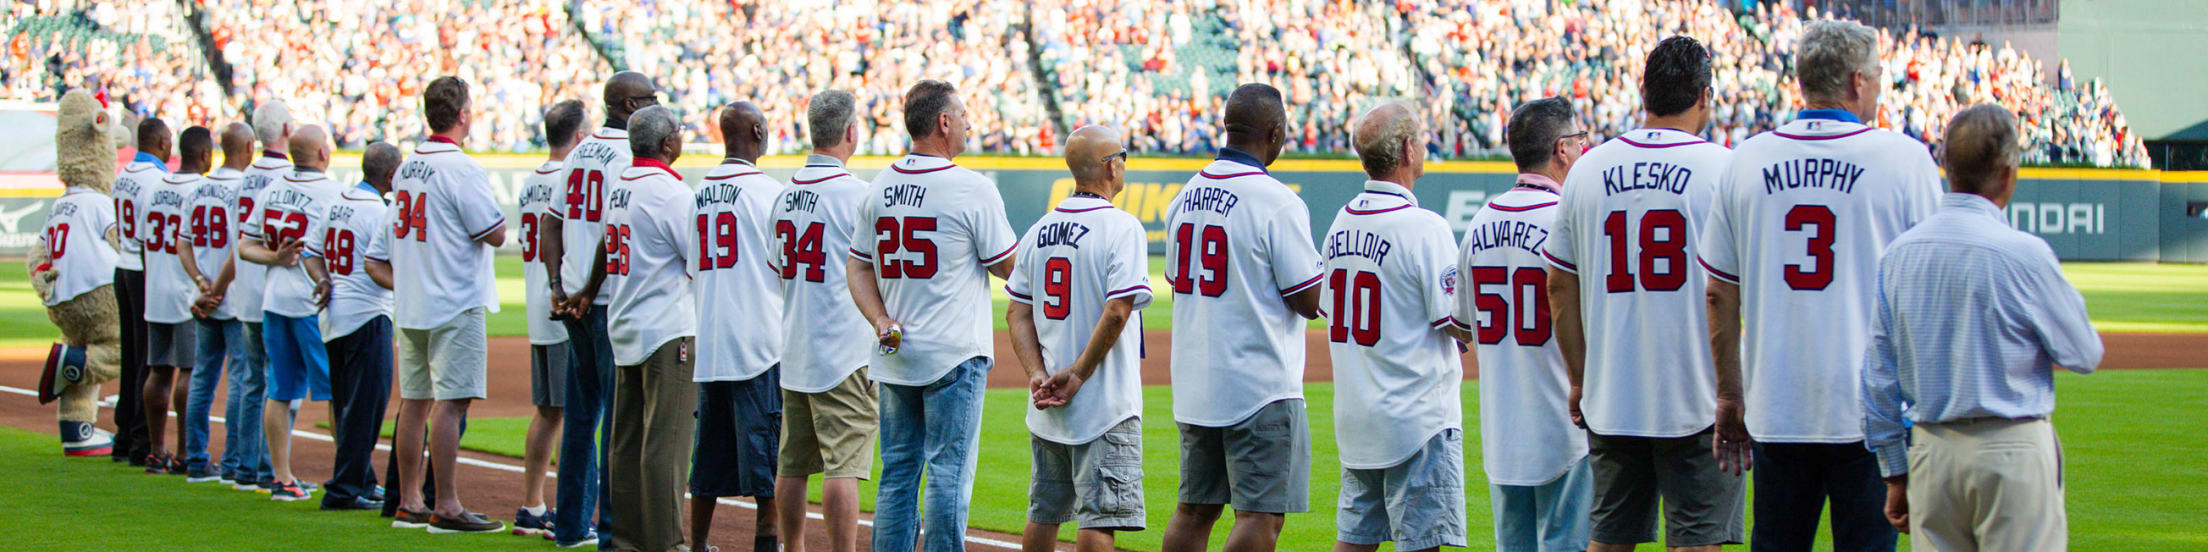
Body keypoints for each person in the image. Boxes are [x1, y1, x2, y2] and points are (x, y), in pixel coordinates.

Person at [1698, 19, 1943, 552]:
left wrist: (1729, 396)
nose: (1880, 86)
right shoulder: (1905, 160)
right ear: (1857, 81)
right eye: (1877, 77)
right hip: (1872, 412)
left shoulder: (1746, 160)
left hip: (1776, 406)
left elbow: (1718, 292)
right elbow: (1928, 300)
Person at [1863, 104, 2102, 552]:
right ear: (2008, 173)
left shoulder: (1900, 253)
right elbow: (2084, 353)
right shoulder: (2024, 254)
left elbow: (1878, 377)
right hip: (2011, 448)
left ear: (1946, 168)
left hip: (1933, 450)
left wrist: (1895, 471)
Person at [1542, 36, 1743, 552]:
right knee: (1697, 541)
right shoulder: (1723, 169)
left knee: (1609, 539)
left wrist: (1579, 378)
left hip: (1612, 392)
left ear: (1643, 92)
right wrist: (1732, 392)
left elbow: (1559, 284)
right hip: (1697, 395)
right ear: (1704, 95)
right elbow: (1726, 294)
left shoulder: (1587, 168)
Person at [847, 79, 1019, 552]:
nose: (968, 123)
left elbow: (857, 265)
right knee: (948, 473)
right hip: (953, 355)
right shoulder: (969, 187)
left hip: (896, 353)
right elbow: (1010, 267)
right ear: (944, 122)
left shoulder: (879, 184)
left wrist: (880, 320)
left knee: (898, 474)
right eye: (963, 115)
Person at [1158, 83, 1323, 552]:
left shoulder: (1183, 196)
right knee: (1262, 516)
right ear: (1274, 132)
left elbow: (1177, 279)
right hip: (1258, 385)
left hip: (1195, 383)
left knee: (1194, 510)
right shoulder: (1276, 200)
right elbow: (1308, 300)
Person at [1321, 103, 1474, 552]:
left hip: (1357, 416)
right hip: (1417, 418)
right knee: (1421, 543)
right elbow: (1456, 322)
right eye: (1421, 138)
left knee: (1353, 542)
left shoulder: (1339, 224)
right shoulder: (1425, 227)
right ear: (1408, 149)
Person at [1004, 125, 1151, 552]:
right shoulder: (1122, 227)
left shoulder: (1039, 229)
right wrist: (1079, 375)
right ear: (1110, 167)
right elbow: (1119, 309)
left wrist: (1036, 373)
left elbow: (1016, 309)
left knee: (1044, 514)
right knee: (1099, 521)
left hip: (1048, 402)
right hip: (1103, 403)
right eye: (1122, 156)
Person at [1458, 97, 1594, 552]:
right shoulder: (1569, 218)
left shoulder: (1480, 222)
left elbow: (1462, 325)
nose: (1582, 148)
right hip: (1564, 425)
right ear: (1561, 149)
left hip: (1502, 430)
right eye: (1578, 140)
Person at [386, 76, 509, 534]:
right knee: (450, 403)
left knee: (414, 401)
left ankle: (410, 500)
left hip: (413, 296)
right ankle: (448, 504)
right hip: (454, 296)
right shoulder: (462, 167)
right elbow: (493, 232)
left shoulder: (406, 167)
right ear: (462, 115)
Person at [543, 71, 656, 549]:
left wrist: (557, 286)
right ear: (629, 105)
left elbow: (552, 224)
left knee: (580, 416)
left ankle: (570, 526)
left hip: (574, 301)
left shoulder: (580, 152)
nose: (657, 105)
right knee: (619, 422)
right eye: (650, 98)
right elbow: (614, 234)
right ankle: (611, 529)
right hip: (606, 300)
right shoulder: (627, 155)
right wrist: (588, 288)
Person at [770, 89, 877, 552]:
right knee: (843, 466)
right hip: (845, 349)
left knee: (791, 465)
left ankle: (790, 547)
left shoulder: (783, 195)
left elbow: (775, 271)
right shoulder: (858, 195)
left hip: (795, 345)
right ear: (850, 132)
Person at [688, 100, 788, 552]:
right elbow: (786, 269)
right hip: (758, 341)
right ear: (754, 130)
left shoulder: (699, 192)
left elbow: (693, 268)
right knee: (766, 457)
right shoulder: (767, 192)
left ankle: (698, 544)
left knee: (707, 456)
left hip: (711, 339)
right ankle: (766, 544)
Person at [601, 104, 699, 552]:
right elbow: (697, 264)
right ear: (666, 144)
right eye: (677, 132)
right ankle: (665, 542)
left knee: (625, 443)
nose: (682, 137)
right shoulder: (670, 192)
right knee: (666, 441)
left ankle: (625, 539)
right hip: (664, 328)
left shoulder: (619, 186)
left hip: (624, 321)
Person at [237, 124, 343, 502]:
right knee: (337, 392)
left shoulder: (273, 189)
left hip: (274, 300)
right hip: (311, 304)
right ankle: (349, 477)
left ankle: (281, 478)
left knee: (279, 390)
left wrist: (274, 258)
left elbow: (245, 246)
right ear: (322, 154)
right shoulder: (332, 191)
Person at [304, 141, 398, 511]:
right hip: (368, 314)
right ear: (391, 176)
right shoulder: (379, 212)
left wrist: (323, 279)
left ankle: (360, 480)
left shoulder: (338, 201)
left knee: (346, 405)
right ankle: (343, 490)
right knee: (365, 408)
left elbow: (311, 252)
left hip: (333, 315)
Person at [513, 99, 588, 538]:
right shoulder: (570, 178)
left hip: (537, 307)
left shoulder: (530, 181)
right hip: (563, 308)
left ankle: (532, 504)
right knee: (577, 414)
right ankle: (566, 511)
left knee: (548, 413)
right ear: (579, 137)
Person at [223, 104, 293, 491]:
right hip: (275, 289)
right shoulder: (289, 176)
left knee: (250, 382)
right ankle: (271, 470)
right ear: (285, 128)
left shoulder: (246, 175)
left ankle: (243, 467)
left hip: (245, 288)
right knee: (278, 383)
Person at [183, 123, 254, 486]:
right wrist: (220, 289)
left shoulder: (199, 187)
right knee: (240, 381)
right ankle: (231, 462)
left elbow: (182, 244)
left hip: (203, 296)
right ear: (247, 147)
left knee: (202, 379)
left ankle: (195, 459)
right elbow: (239, 247)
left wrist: (201, 283)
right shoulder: (241, 189)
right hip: (230, 297)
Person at [136, 119, 200, 476]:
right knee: (190, 370)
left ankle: (155, 450)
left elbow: (144, 244)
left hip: (156, 289)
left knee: (158, 370)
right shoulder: (201, 190)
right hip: (186, 291)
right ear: (205, 154)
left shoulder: (156, 188)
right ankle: (185, 452)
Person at [111, 116, 164, 468]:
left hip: (122, 267)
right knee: (147, 357)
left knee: (131, 355)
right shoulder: (157, 179)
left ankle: (123, 434)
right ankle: (140, 439)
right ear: (161, 143)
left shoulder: (124, 175)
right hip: (144, 269)